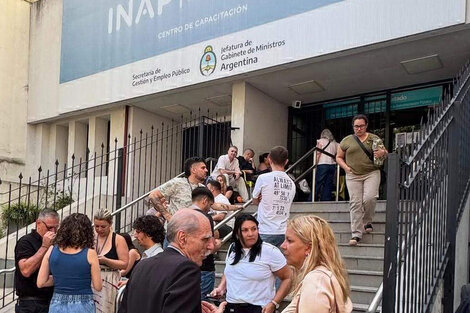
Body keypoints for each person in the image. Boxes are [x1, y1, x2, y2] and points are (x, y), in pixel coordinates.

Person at [118, 209, 221, 313]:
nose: (211, 246)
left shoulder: (142, 265)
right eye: (205, 239)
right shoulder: (186, 269)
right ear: (182, 238)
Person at [211, 214, 292, 313]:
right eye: (245, 230)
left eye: (254, 229)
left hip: (259, 308)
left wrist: (274, 303)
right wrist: (221, 287)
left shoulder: (270, 251)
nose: (251, 234)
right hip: (231, 307)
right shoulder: (232, 248)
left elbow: (288, 278)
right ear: (237, 233)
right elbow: (230, 270)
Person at [280, 215, 352, 313]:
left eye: (289, 241)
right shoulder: (319, 277)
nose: (283, 245)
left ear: (309, 248)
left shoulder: (316, 281)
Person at [336, 114, 388, 246]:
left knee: (369, 198)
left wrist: (383, 153)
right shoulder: (347, 140)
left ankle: (367, 220)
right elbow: (338, 157)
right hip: (353, 175)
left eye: (361, 126)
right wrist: (345, 168)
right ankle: (356, 234)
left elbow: (384, 152)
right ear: (353, 127)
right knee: (355, 203)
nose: (358, 129)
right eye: (356, 126)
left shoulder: (374, 138)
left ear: (366, 126)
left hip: (371, 172)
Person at [36, 213, 102, 313]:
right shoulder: (90, 254)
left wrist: (62, 278)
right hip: (83, 304)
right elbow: (98, 286)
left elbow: (40, 282)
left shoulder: (51, 250)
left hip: (57, 303)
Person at [14, 208, 59, 313]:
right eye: (49, 227)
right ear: (38, 223)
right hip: (31, 302)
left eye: (56, 228)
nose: (53, 231)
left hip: (52, 300)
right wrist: (44, 247)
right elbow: (26, 270)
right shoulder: (25, 242)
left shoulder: (57, 242)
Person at [252, 146, 296, 249]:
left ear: (269, 159)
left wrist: (259, 200)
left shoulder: (263, 178)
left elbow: (254, 200)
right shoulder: (291, 182)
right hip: (283, 232)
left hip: (265, 230)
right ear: (286, 162)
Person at [93, 208, 129, 313]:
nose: (99, 229)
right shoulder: (91, 237)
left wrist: (106, 260)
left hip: (110, 277)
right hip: (93, 276)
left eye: (103, 226)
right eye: (96, 226)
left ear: (110, 224)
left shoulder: (118, 239)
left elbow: (124, 264)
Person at [315, 129, 339, 201]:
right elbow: (339, 153)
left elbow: (318, 153)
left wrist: (315, 163)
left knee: (318, 182)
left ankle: (312, 198)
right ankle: (326, 200)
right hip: (332, 165)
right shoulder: (335, 143)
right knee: (328, 184)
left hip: (322, 164)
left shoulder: (320, 141)